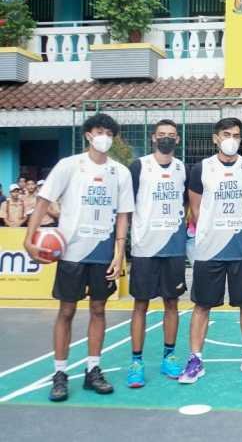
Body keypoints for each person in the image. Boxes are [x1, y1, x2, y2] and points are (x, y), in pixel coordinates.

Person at [24, 113, 134, 402]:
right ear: (88, 135)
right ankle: (60, 373)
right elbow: (44, 201)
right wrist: (29, 237)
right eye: (99, 131)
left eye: (109, 133)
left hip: (102, 251)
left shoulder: (120, 172)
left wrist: (119, 253)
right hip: (71, 252)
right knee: (67, 311)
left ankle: (93, 370)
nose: (104, 137)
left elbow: (123, 215)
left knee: (98, 309)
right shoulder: (69, 165)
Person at [179, 117, 242, 384]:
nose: (232, 139)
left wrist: (241, 224)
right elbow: (195, 208)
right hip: (210, 249)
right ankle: (195, 359)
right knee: (202, 305)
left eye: (236, 135)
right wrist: (213, 229)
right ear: (216, 138)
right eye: (227, 134)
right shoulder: (201, 169)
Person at [126, 120, 188, 388]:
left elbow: (187, 202)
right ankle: (136, 362)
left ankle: (169, 357)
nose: (166, 138)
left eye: (171, 135)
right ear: (153, 138)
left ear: (178, 140)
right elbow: (127, 205)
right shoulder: (139, 166)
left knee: (172, 303)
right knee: (140, 304)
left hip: (173, 247)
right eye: (162, 134)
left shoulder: (182, 168)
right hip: (145, 248)